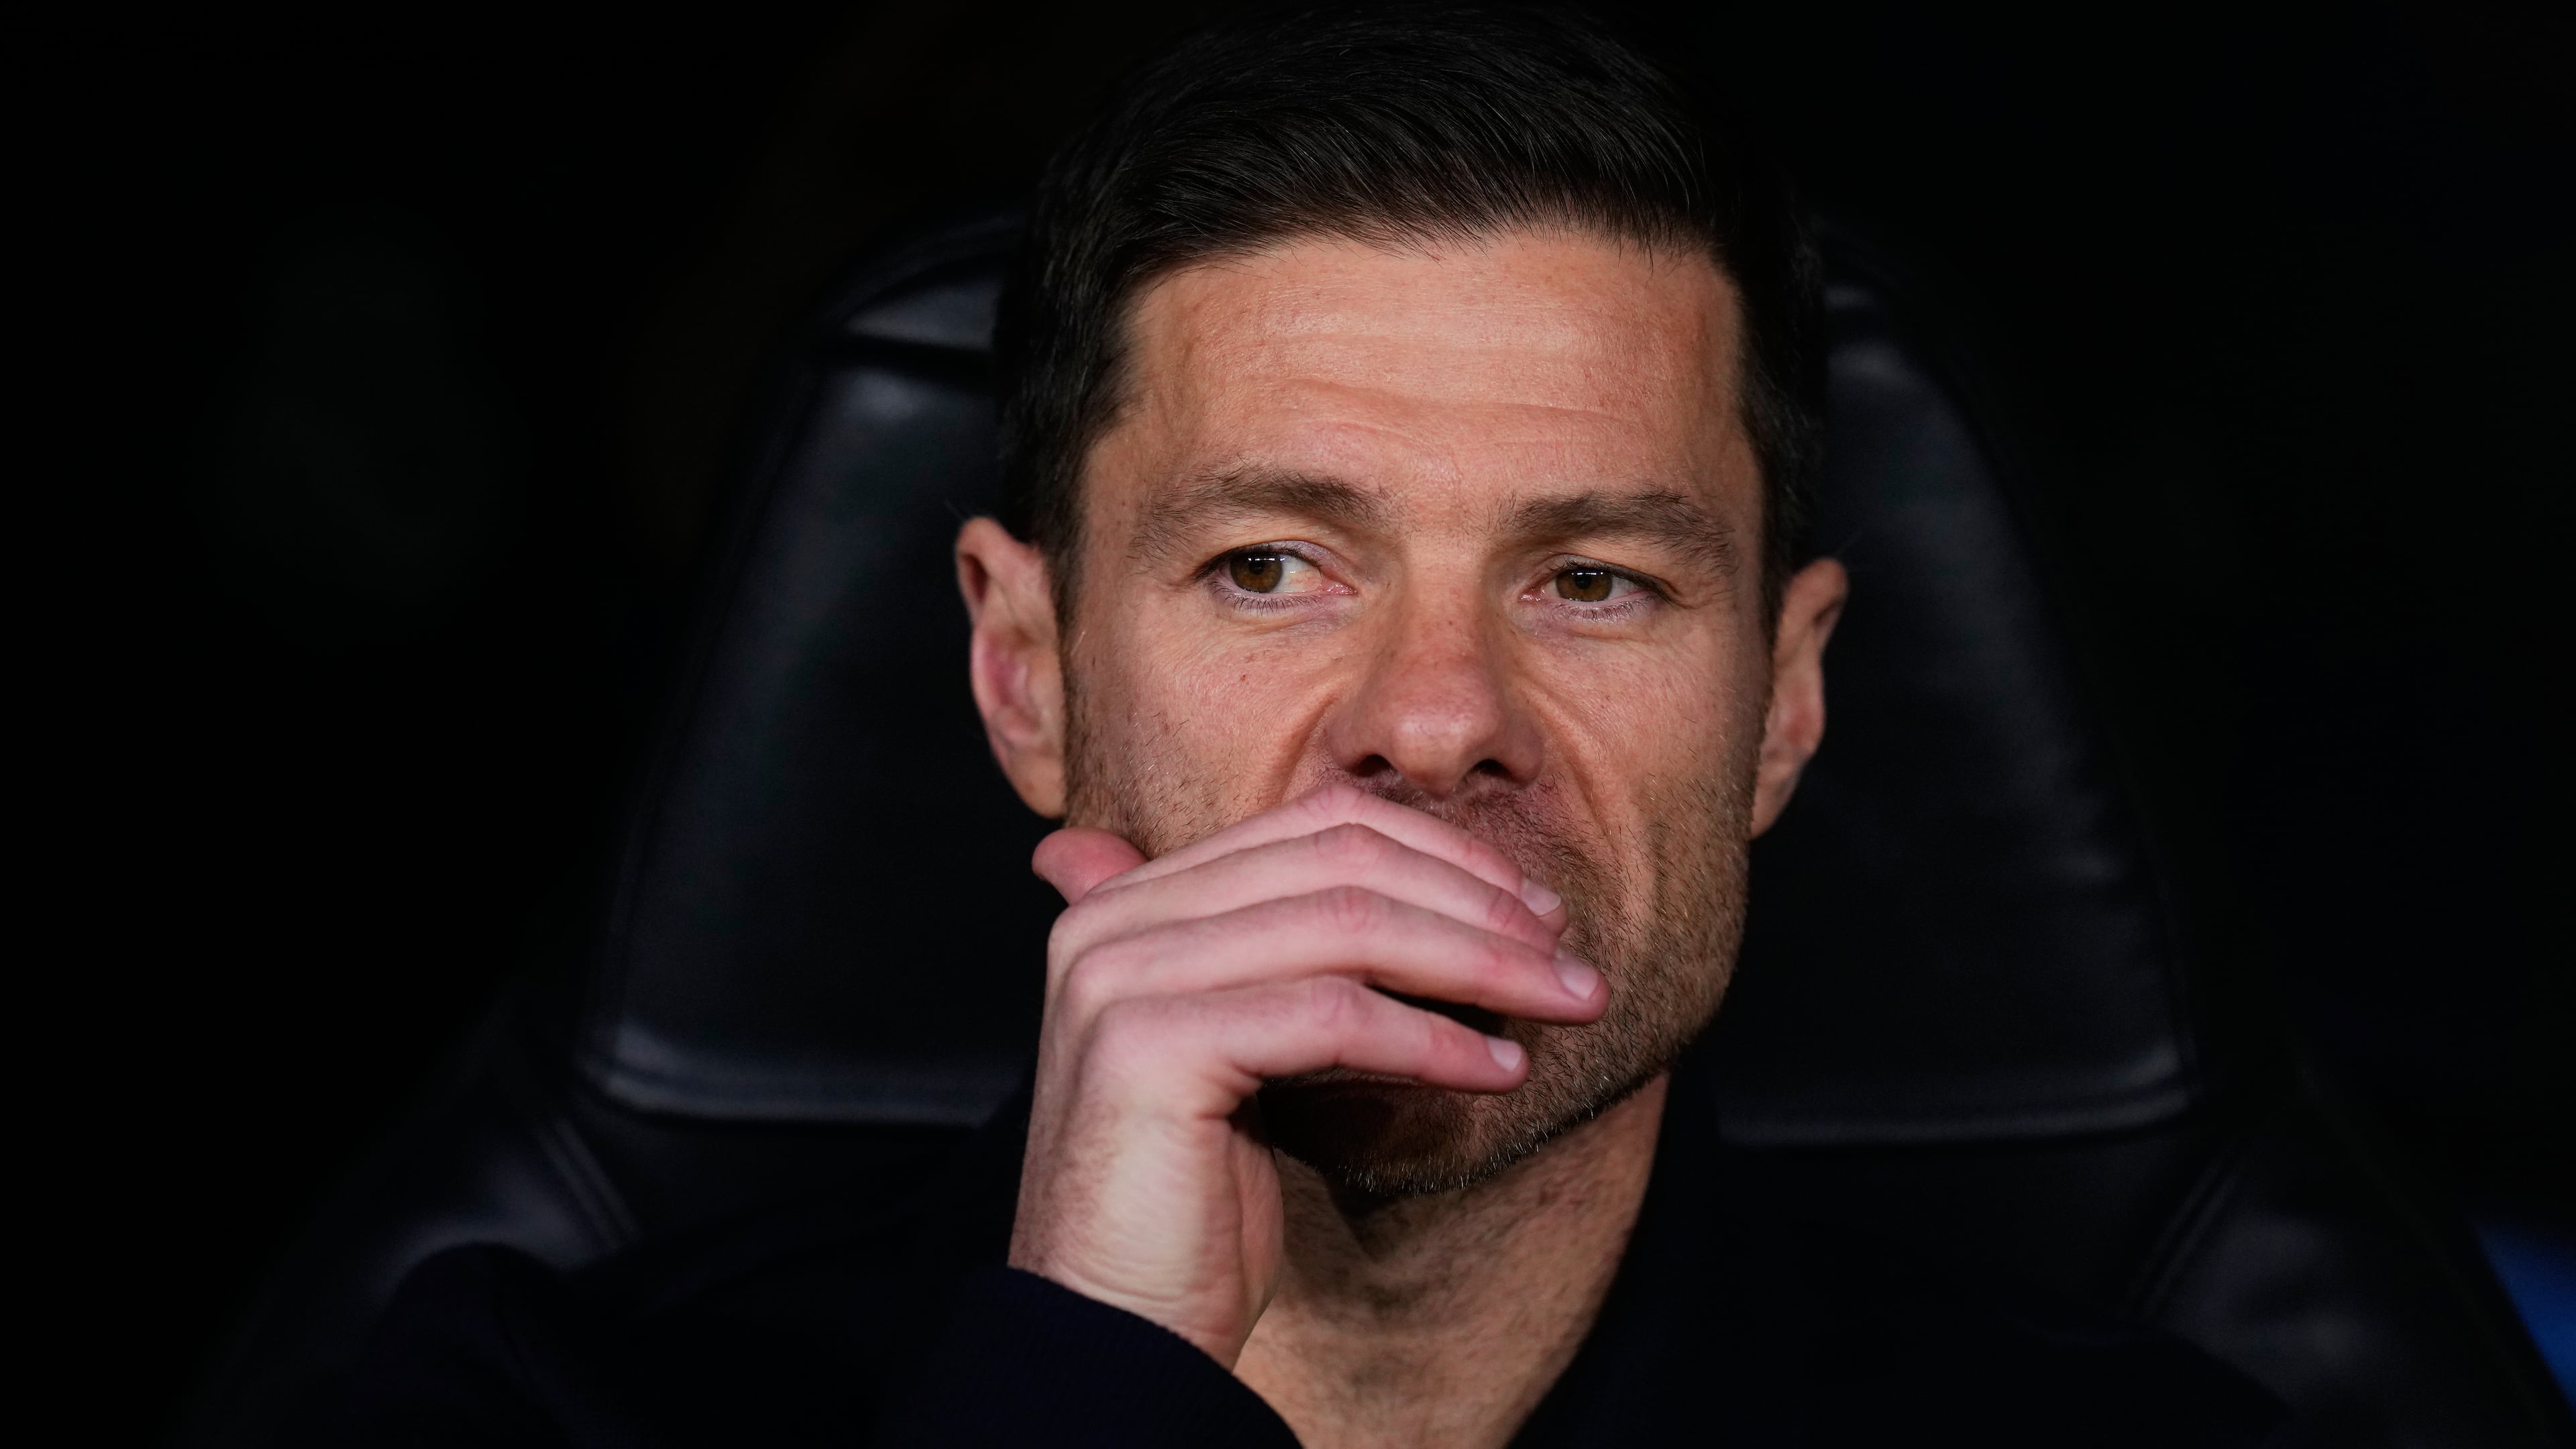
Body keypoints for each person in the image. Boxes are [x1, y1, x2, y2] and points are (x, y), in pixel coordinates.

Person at [331, 7, 2300, 1444]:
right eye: (1274, 565)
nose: (1436, 724)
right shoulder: (530, 1411)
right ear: (1025, 673)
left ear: (1785, 706)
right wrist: (1083, 1383)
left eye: (1595, 580)